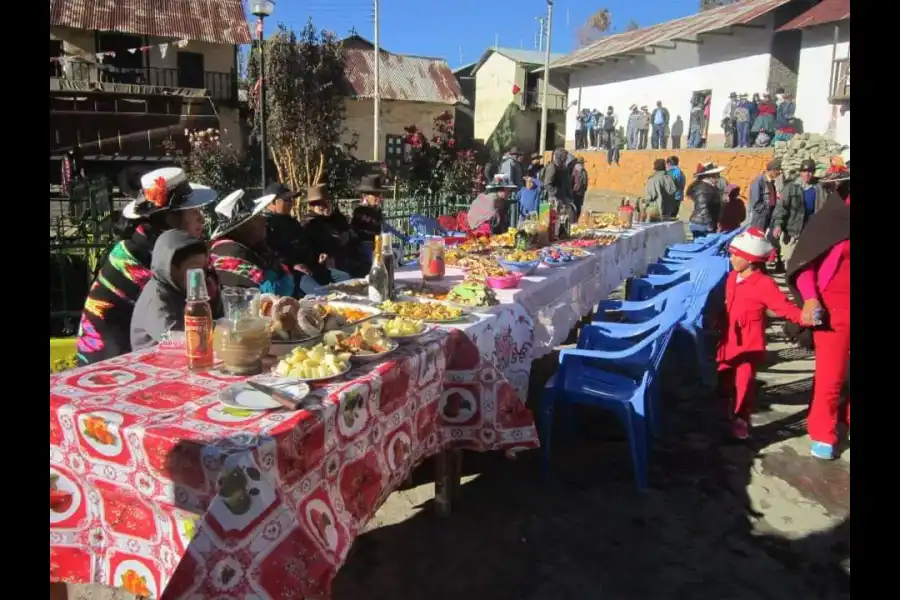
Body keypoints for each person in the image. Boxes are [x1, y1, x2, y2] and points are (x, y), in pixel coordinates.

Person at [75, 167, 218, 366]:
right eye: (194, 212)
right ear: (171, 220)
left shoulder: (158, 250)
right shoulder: (138, 259)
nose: (202, 219)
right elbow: (188, 313)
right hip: (108, 364)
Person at [785, 162, 850, 460]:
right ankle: (823, 429)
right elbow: (804, 265)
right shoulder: (831, 219)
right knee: (831, 373)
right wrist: (810, 299)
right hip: (835, 308)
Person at [717, 228, 807, 440]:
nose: (731, 258)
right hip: (728, 340)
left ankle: (741, 418)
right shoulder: (732, 277)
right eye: (731, 253)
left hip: (749, 344)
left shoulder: (764, 284)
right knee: (724, 376)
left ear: (750, 259)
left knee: (744, 383)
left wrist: (803, 317)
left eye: (736, 255)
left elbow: (783, 307)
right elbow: (727, 305)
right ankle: (725, 407)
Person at [130, 230, 211, 351]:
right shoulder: (156, 297)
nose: (199, 276)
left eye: (202, 269)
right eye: (194, 269)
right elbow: (167, 336)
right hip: (152, 360)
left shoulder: (180, 290)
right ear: (170, 268)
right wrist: (203, 337)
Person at [210, 189, 295, 296]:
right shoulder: (231, 254)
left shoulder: (257, 249)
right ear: (240, 228)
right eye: (255, 218)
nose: (264, 220)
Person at [263, 182, 327, 297]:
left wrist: (318, 255)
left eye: (291, 200)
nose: (291, 204)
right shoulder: (267, 226)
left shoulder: (292, 222)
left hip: (311, 267)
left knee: (344, 280)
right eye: (286, 200)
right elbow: (270, 254)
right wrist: (292, 265)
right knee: (322, 295)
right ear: (272, 203)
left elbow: (305, 243)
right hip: (291, 274)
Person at [771, 159, 823, 267]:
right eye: (804, 171)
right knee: (790, 262)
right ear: (800, 172)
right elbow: (781, 207)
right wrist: (778, 225)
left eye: (810, 171)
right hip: (793, 230)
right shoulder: (791, 187)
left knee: (806, 262)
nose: (807, 174)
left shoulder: (819, 188)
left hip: (811, 230)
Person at [302, 184, 360, 278]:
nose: (326, 207)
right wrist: (320, 256)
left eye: (328, 202)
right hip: (324, 265)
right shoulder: (309, 224)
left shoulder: (337, 218)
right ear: (312, 206)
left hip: (344, 258)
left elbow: (349, 234)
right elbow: (308, 249)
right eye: (321, 204)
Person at [351, 174, 391, 264]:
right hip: (365, 246)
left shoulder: (376, 210)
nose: (378, 198)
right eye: (375, 194)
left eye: (379, 194)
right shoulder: (361, 211)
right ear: (366, 196)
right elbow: (359, 233)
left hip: (377, 244)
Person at [686, 162, 724, 239]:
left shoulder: (708, 187)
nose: (718, 177)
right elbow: (703, 208)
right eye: (716, 175)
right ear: (709, 176)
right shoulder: (703, 188)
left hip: (704, 223)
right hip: (702, 224)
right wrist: (710, 225)